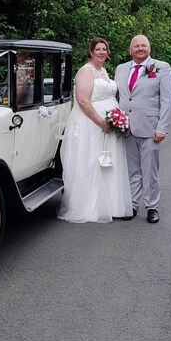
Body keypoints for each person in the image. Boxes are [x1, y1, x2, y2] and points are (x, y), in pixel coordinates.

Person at [58, 38, 133, 223]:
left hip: (108, 125)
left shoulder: (103, 71)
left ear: (108, 52)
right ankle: (90, 206)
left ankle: (111, 205)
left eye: (104, 49)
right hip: (91, 125)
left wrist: (115, 119)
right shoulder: (86, 71)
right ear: (91, 52)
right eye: (97, 49)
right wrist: (102, 123)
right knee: (91, 162)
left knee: (107, 163)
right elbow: (83, 101)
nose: (101, 52)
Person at [115, 35, 171, 224]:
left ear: (149, 48)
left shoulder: (162, 67)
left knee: (150, 171)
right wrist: (115, 121)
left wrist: (162, 128)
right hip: (126, 127)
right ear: (130, 50)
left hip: (150, 128)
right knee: (131, 170)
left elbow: (167, 100)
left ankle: (152, 207)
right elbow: (118, 97)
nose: (140, 48)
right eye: (136, 46)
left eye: (144, 45)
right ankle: (132, 205)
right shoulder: (120, 69)